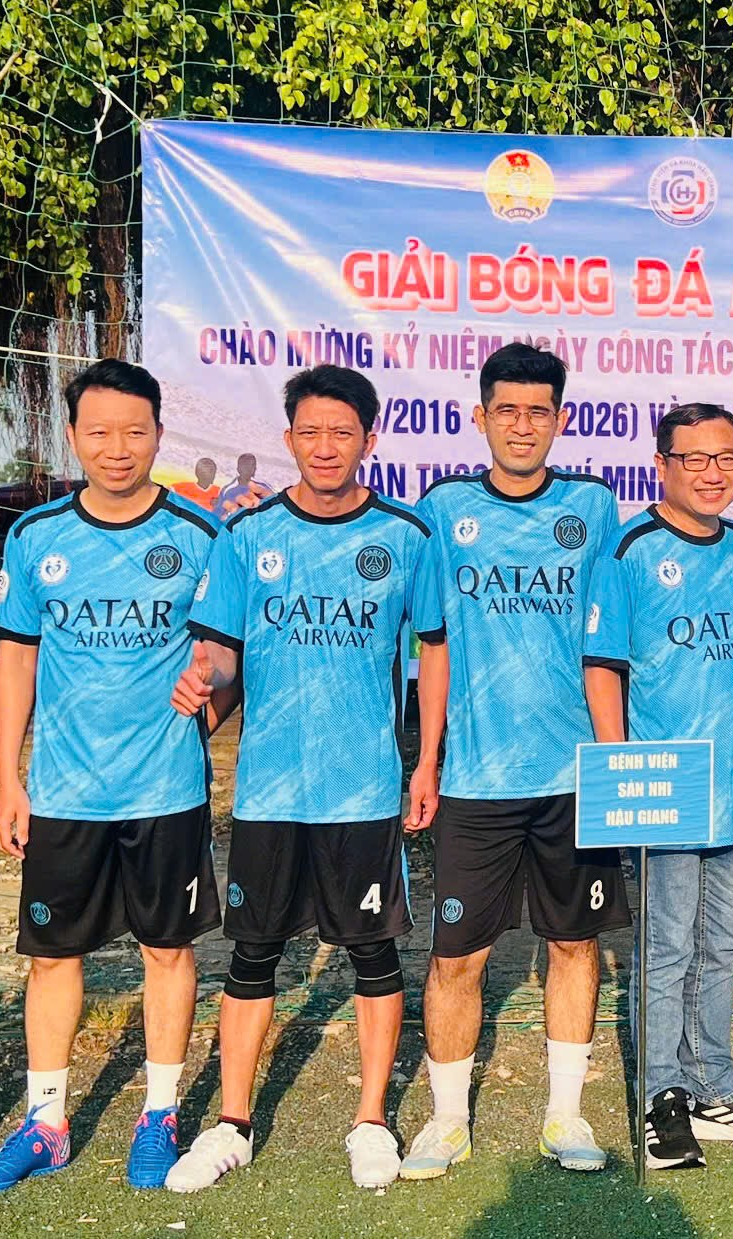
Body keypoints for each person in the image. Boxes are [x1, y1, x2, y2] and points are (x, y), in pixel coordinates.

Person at [160, 365, 450, 1193]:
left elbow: (433, 649)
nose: (325, 447)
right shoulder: (247, 535)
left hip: (363, 789)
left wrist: (426, 760)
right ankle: (233, 1122)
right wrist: (205, 680)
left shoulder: (405, 535)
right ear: (288, 438)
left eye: (342, 432)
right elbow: (221, 651)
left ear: (368, 439)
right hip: (269, 790)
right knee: (251, 954)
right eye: (310, 432)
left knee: (373, 952)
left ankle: (370, 1120)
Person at [0, 359, 223, 1195]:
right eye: (100, 432)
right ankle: (45, 1123)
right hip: (65, 791)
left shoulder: (199, 534)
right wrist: (8, 778)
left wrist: (211, 691)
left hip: (165, 789)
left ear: (159, 435)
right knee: (52, 956)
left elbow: (226, 653)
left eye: (135, 431)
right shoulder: (36, 535)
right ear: (72, 436)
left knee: (167, 949)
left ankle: (159, 1113)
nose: (118, 448)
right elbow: (16, 658)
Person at [401, 342, 630, 1179]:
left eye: (538, 412)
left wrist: (613, 760)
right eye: (507, 410)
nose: (522, 426)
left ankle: (564, 1114)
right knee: (454, 957)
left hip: (573, 778)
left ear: (560, 420)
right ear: (481, 416)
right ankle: (446, 1120)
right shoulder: (442, 508)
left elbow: (608, 640)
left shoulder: (593, 507)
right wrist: (426, 761)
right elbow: (433, 645)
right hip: (476, 780)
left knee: (574, 945)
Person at [581, 404, 733, 1171]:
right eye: (695, 458)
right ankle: (660, 1096)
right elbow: (602, 667)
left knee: (723, 942)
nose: (713, 473)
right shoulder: (629, 549)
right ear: (661, 464)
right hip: (665, 789)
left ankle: (712, 1082)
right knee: (667, 947)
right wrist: (619, 772)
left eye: (726, 458)